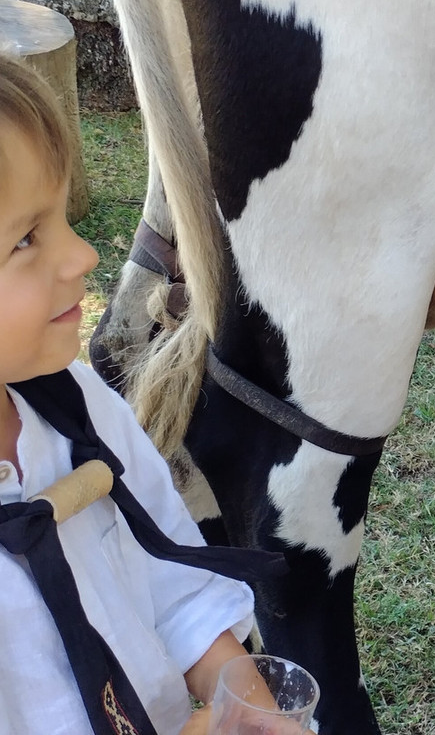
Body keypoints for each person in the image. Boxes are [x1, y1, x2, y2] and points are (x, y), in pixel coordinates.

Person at [0, 55, 257, 735]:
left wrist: (246, 704)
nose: (83, 256)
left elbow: (177, 586)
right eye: (25, 239)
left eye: (61, 219)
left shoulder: (77, 406)